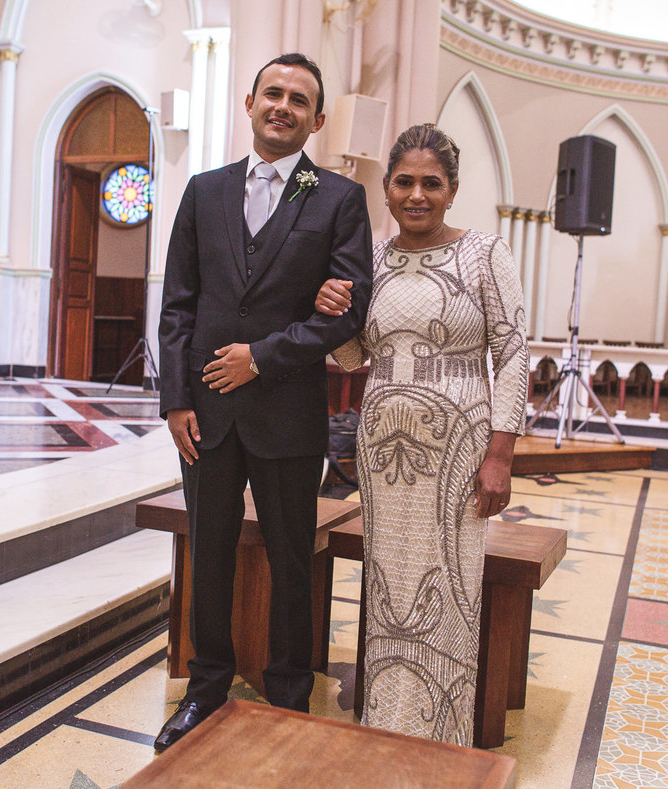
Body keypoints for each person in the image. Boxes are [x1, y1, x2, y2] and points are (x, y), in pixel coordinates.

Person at [154, 52, 373, 752]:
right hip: (207, 417)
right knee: (208, 553)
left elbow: (347, 308)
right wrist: (175, 400)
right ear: (249, 103)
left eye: (298, 100)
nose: (283, 106)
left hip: (287, 413)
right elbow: (178, 302)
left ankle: (288, 694)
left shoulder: (338, 199)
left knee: (290, 560)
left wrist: (262, 358)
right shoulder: (204, 190)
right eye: (272, 93)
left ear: (317, 119)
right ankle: (206, 684)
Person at [315, 123, 530, 745]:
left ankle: (442, 727)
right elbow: (356, 358)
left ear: (452, 190)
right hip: (384, 448)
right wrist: (330, 307)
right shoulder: (370, 260)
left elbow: (513, 351)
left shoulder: (486, 253)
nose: (417, 195)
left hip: (460, 450)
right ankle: (385, 716)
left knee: (452, 578)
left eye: (430, 183)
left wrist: (500, 453)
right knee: (388, 577)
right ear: (385, 189)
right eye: (404, 182)